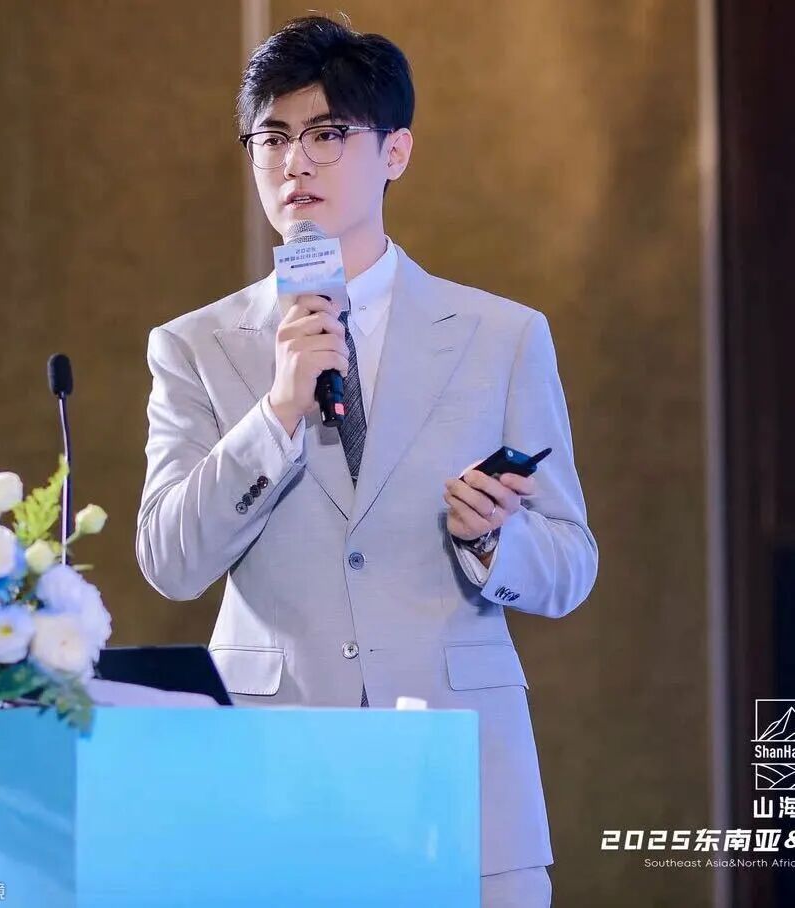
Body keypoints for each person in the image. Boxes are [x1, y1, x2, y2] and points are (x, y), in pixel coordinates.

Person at [136, 15, 597, 907]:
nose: (294, 163)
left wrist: (494, 543)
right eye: (272, 137)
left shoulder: (502, 335)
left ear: (396, 151)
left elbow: (571, 564)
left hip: (462, 778)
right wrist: (276, 411)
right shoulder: (194, 347)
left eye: (326, 133)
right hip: (269, 777)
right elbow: (169, 560)